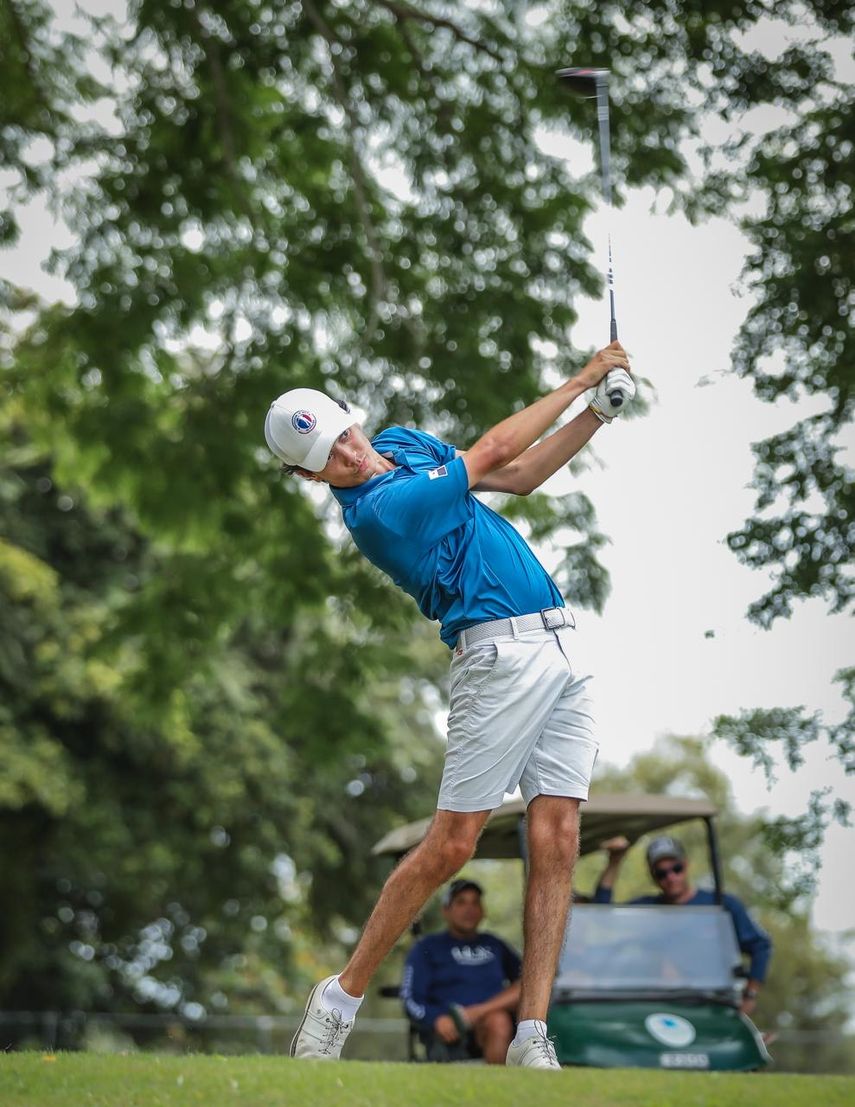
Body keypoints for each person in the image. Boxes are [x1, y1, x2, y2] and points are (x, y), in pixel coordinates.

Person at [264, 341, 636, 1068]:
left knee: (558, 834)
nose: (348, 452)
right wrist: (580, 380)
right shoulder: (377, 512)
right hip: (494, 658)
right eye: (326, 455)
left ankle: (531, 1033)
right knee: (452, 845)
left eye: (343, 433)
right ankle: (339, 999)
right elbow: (494, 447)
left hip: (561, 643)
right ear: (309, 475)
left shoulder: (403, 443)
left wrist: (596, 413)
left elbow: (518, 474)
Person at [593, 835, 772, 1016]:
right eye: (661, 873)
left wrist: (750, 995)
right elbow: (602, 916)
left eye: (676, 869)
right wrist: (614, 862)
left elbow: (760, 945)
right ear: (653, 876)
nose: (670, 877)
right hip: (658, 1006)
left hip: (713, 1005)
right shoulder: (648, 910)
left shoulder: (721, 905)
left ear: (686, 865)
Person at [401, 878, 522, 1064]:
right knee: (498, 1020)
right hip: (449, 1030)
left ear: (483, 911)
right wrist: (435, 1018)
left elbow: (527, 983)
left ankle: (497, 1079)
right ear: (446, 911)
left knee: (503, 1016)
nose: (469, 909)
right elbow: (410, 999)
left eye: (475, 903)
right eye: (461, 902)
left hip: (493, 1023)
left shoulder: (494, 944)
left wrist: (476, 1013)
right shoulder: (427, 948)